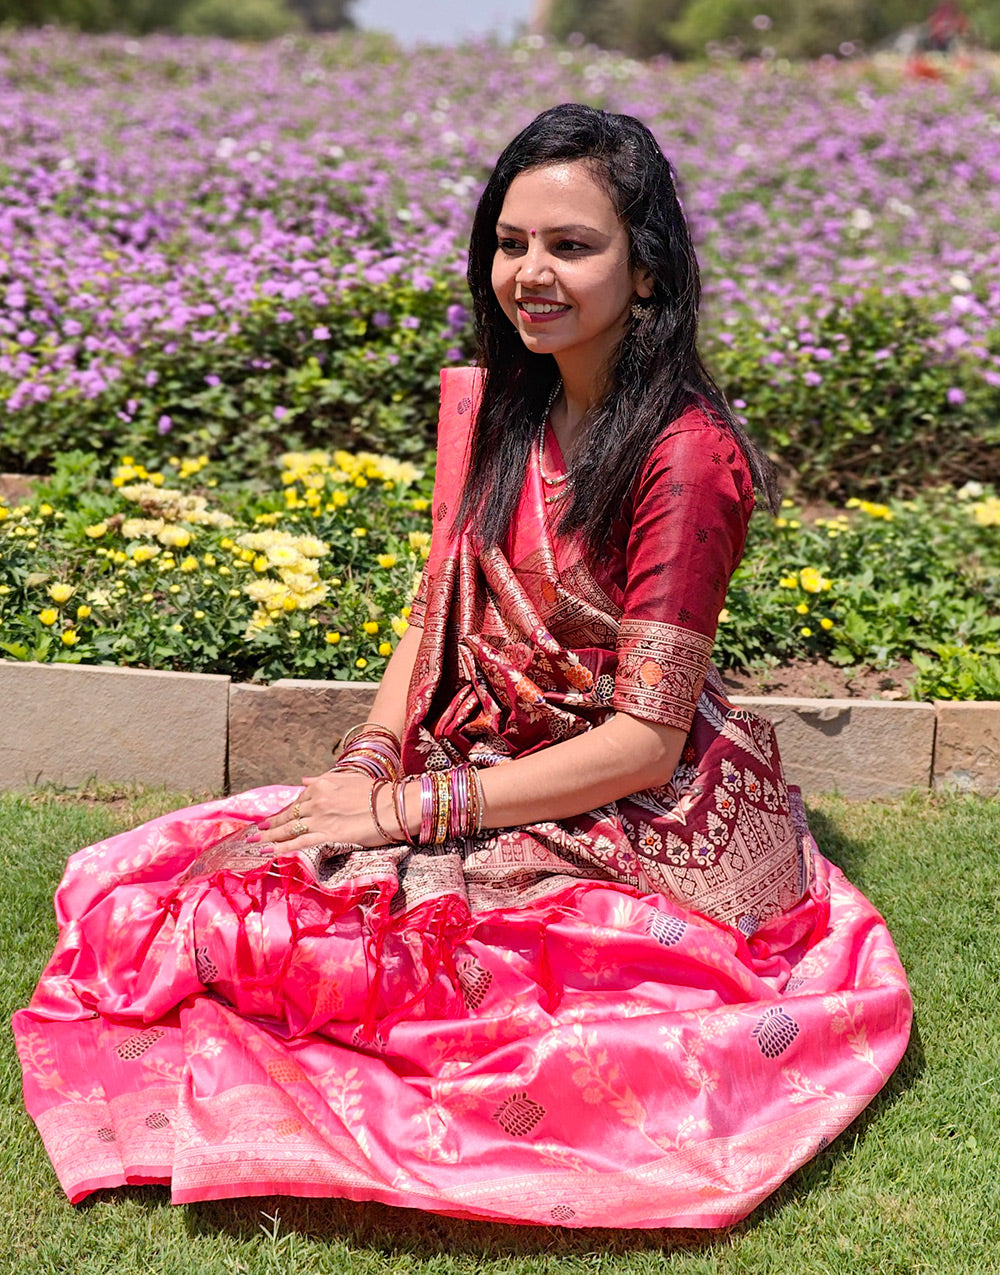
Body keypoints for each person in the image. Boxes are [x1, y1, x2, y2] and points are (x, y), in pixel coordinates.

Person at [14, 104, 911, 1229]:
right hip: (476, 762)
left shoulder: (686, 459)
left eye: (570, 246)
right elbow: (434, 616)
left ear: (646, 273)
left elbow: (643, 741)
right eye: (510, 241)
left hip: (628, 812)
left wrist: (404, 810)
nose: (530, 272)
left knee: (435, 997)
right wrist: (365, 765)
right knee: (164, 897)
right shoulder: (504, 409)